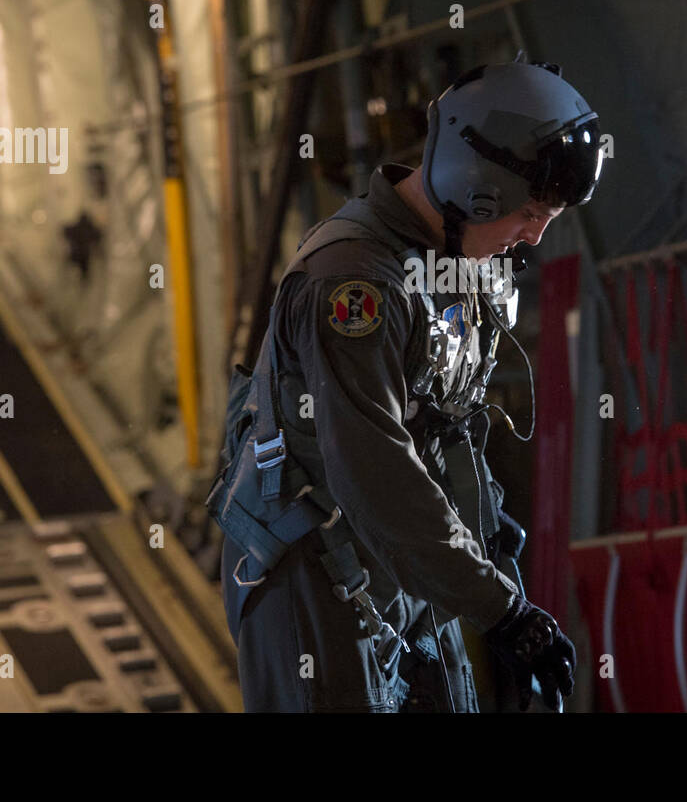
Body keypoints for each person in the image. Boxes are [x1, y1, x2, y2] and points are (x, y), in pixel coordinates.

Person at [207, 54, 604, 712]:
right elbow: (375, 469)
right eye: (532, 212)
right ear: (476, 183)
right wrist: (502, 612)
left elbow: (451, 430)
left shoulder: (456, 262)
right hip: (316, 573)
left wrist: (493, 567)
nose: (533, 235)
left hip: (408, 567)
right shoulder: (354, 285)